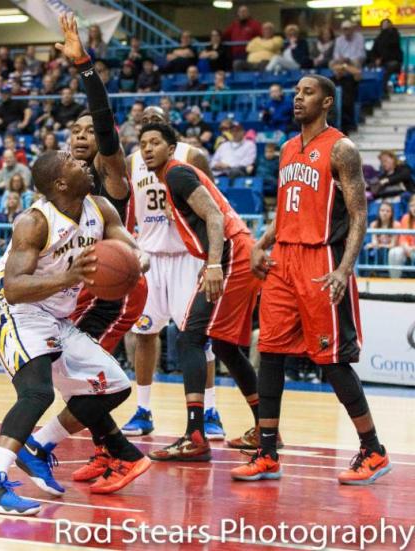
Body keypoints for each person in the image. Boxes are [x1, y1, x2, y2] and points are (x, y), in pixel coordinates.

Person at [0, 14, 150, 499]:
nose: (82, 136)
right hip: (69, 283)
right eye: (74, 134)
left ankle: (92, 448)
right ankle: (102, 448)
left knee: (90, 376)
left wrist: (82, 65)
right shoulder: (50, 203)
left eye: (89, 131)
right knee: (71, 376)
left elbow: (103, 118)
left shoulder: (108, 177)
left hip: (112, 281)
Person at [0, 146, 151, 515]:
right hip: (16, 310)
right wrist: (70, 276)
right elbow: (14, 287)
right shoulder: (34, 222)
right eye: (70, 161)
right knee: (36, 393)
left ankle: (38, 446)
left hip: (56, 315)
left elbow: (130, 248)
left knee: (113, 385)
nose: (81, 161)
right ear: (61, 182)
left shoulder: (100, 208)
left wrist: (137, 260)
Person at [232, 75, 391, 485]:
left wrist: (344, 269)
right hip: (283, 260)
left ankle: (372, 449)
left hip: (322, 261)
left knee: (333, 361)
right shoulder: (287, 148)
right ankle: (267, 452)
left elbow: (359, 216)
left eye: (307, 92)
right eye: (296, 91)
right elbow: (285, 210)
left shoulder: (342, 148)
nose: (297, 97)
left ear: (327, 102)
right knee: (270, 351)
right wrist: (260, 244)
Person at [138, 122, 264, 461]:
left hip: (232, 256)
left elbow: (213, 216)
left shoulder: (178, 173)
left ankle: (195, 434)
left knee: (190, 338)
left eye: (155, 143)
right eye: (143, 144)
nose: (147, 149)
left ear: (171, 148)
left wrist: (212, 265)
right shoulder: (171, 178)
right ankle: (267, 428)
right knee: (221, 344)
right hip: (237, 254)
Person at [121, 105, 225, 440]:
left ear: (168, 127)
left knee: (196, 338)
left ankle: (209, 411)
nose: (150, 126)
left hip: (185, 256)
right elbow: (129, 211)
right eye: (144, 124)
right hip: (150, 257)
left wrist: (211, 259)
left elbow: (213, 205)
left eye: (156, 121)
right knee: (144, 334)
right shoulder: (132, 160)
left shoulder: (192, 155)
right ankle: (143, 409)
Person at [370, 19, 403, 94]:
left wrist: (381, 58)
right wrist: (375, 59)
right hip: (380, 62)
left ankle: (383, 92)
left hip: (392, 60)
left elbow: (391, 48)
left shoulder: (394, 35)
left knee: (384, 73)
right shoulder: (379, 37)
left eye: (387, 23)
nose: (385, 25)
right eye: (383, 24)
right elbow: (374, 50)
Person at [388, 195, 415, 278]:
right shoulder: (405, 218)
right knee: (394, 252)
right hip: (407, 248)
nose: (414, 208)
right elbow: (402, 237)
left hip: (413, 248)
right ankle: (395, 280)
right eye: (412, 205)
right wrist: (406, 247)